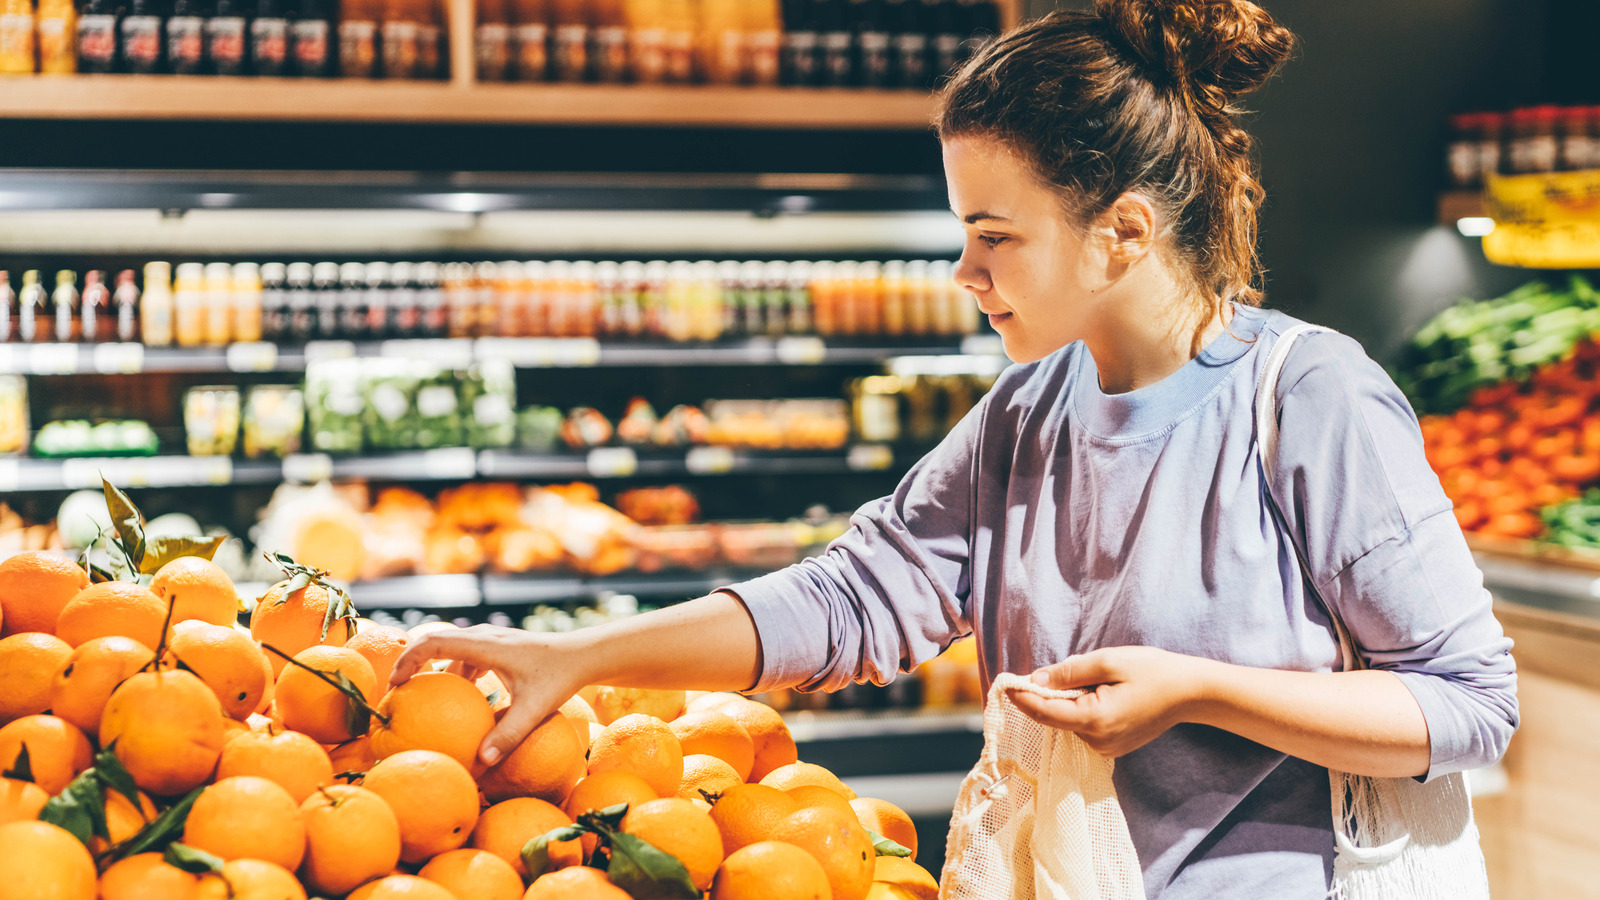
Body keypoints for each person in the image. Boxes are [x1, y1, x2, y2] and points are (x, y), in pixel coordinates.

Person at [389, 1, 1518, 895]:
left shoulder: (1306, 396)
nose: (963, 275)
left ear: (1121, 231)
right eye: (959, 235)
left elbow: (1469, 705)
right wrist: (581, 657)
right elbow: (847, 600)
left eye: (994, 237)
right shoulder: (1026, 416)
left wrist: (1198, 692)